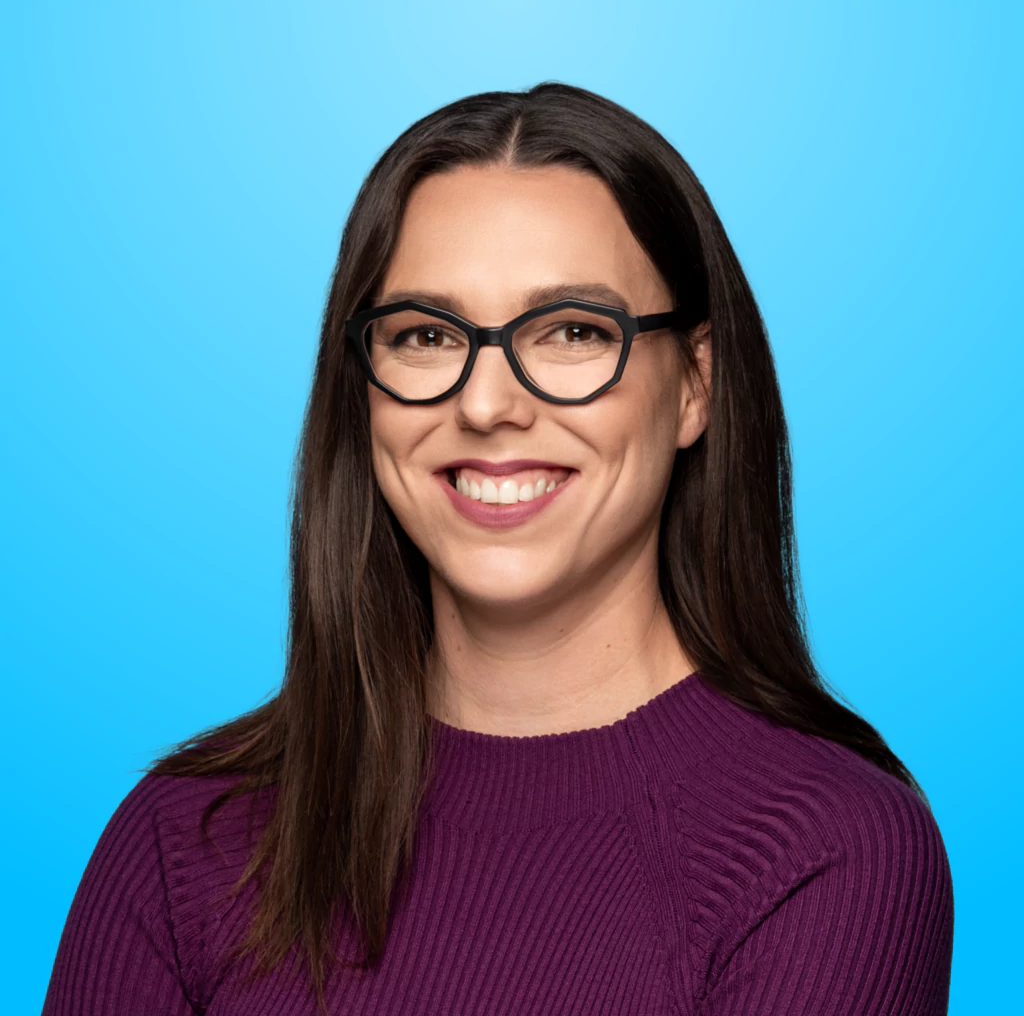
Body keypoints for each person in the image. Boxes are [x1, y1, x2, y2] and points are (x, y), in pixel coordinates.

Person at [42, 82, 954, 1015]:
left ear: (695, 385)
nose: (485, 404)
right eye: (427, 336)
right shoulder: (184, 838)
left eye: (573, 332)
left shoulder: (828, 849)